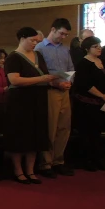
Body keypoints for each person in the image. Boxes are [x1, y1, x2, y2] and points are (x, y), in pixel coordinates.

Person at [4, 27, 59, 184]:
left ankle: (30, 170)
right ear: (22, 38)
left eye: (37, 41)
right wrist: (40, 80)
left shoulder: (38, 55)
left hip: (38, 99)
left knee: (36, 136)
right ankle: (18, 170)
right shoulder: (13, 57)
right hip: (20, 101)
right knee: (20, 136)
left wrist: (55, 78)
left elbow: (43, 74)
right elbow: (14, 80)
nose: (35, 43)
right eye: (32, 40)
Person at [35, 18, 75, 177]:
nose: (63, 37)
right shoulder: (40, 48)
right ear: (53, 29)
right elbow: (40, 72)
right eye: (62, 33)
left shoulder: (65, 49)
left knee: (64, 127)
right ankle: (46, 163)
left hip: (64, 90)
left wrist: (68, 81)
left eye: (66, 35)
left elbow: (71, 68)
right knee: (51, 128)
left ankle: (59, 160)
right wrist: (56, 84)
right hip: (50, 90)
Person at [71, 36, 105, 171]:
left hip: (100, 104)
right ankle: (87, 160)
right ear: (87, 49)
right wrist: (102, 95)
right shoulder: (83, 63)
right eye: (95, 46)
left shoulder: (101, 61)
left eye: (99, 46)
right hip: (88, 104)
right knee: (87, 133)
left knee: (97, 132)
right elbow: (85, 85)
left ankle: (97, 159)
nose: (99, 48)